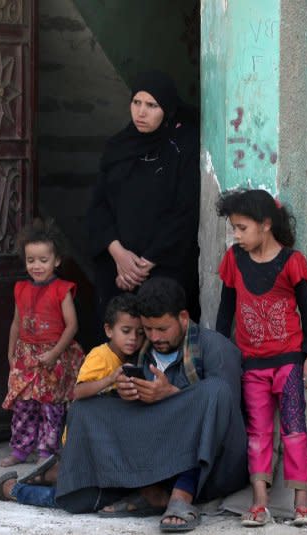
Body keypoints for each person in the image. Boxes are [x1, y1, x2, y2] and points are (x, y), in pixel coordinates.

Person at [55, 277, 248, 533]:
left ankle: (180, 497)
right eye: (148, 329)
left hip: (208, 469)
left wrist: (172, 394)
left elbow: (227, 413)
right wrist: (125, 394)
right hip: (158, 456)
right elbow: (143, 418)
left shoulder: (216, 348)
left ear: (182, 317)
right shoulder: (140, 349)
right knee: (85, 409)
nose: (154, 337)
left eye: (162, 329)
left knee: (216, 390)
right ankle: (149, 492)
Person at [215, 189, 307, 528]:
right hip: (252, 365)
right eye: (234, 228)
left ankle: (302, 502)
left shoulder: (292, 261)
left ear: (265, 225)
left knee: (294, 429)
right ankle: (259, 502)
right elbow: (225, 311)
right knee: (258, 433)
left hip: (288, 362)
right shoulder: (233, 259)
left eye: (242, 228)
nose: (237, 235)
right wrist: (220, 351)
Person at [0, 293, 145, 507]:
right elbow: (79, 392)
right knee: (74, 498)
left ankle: (49, 475)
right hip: (82, 441)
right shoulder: (101, 357)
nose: (133, 338)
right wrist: (110, 379)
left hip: (103, 442)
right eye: (126, 331)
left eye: (139, 333)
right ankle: (16, 488)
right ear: (108, 330)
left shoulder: (133, 359)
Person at [86, 71, 201, 343]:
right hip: (117, 270)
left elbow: (185, 212)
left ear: (167, 109)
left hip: (163, 267)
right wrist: (119, 255)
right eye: (136, 102)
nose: (141, 112)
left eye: (152, 105)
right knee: (116, 343)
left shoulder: (181, 149)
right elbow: (98, 206)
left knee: (160, 339)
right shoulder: (118, 147)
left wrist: (143, 265)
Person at [0, 218, 85, 467]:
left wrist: (55, 353)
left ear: (56, 261)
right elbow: (16, 322)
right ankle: (21, 449)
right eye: (30, 260)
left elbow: (72, 326)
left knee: (51, 406)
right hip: (26, 355)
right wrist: (11, 352)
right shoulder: (20, 288)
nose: (36, 266)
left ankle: (47, 452)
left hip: (53, 356)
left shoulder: (62, 289)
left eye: (43, 260)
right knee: (24, 405)